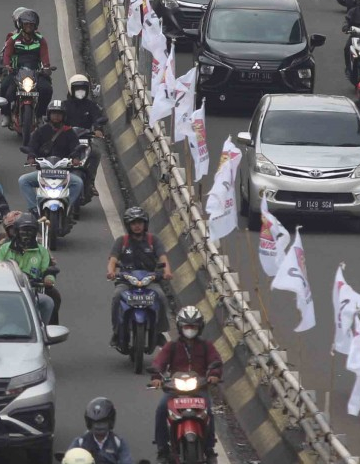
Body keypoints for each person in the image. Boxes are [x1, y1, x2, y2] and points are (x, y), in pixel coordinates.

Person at [152, 306, 223, 464]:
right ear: (180, 327)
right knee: (161, 409)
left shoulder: (206, 346)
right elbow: (159, 362)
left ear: (200, 328)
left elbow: (216, 362)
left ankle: (209, 449)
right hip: (174, 390)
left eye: (193, 327)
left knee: (209, 413)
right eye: (186, 326)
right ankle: (162, 449)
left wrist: (214, 376)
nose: (190, 330)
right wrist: (157, 376)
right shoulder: (172, 346)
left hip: (199, 389)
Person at [107, 207, 173, 348]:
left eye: (140, 222)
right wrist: (111, 272)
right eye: (133, 223)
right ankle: (117, 332)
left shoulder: (153, 240)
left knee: (161, 296)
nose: (137, 226)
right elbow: (112, 260)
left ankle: (159, 332)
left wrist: (167, 272)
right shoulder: (122, 241)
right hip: (126, 280)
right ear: (128, 225)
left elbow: (163, 258)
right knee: (117, 297)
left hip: (150, 279)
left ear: (145, 224)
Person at [19, 100, 85, 212]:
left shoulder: (69, 132)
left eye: (59, 114)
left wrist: (75, 158)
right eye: (54, 113)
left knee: (78, 183)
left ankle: (68, 207)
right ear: (49, 115)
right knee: (23, 181)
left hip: (63, 172)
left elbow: (75, 148)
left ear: (63, 116)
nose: (56, 116)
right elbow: (32, 146)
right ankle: (34, 208)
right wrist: (31, 157)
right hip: (43, 172)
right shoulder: (40, 131)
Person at [0, 213, 60, 324]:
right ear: (16, 231)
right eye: (23, 231)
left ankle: (45, 330)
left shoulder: (42, 251)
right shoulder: (4, 249)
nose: (27, 234)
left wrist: (49, 279)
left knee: (49, 302)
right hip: (7, 292)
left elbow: (48, 270)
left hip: (32, 292)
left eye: (30, 231)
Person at [0, 8, 53, 119]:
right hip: (16, 71)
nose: (29, 26)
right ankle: (6, 114)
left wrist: (47, 68)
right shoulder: (13, 39)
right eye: (26, 24)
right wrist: (6, 67)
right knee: (5, 87)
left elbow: (44, 56)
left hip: (36, 72)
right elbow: (7, 55)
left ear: (35, 26)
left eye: (31, 24)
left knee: (47, 89)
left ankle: (40, 115)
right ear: (21, 25)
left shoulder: (41, 40)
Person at [63, 74, 104, 200]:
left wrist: (98, 129)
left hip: (85, 140)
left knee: (96, 152)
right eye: (77, 88)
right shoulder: (64, 105)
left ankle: (90, 182)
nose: (80, 91)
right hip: (67, 140)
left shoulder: (91, 106)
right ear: (71, 89)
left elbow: (98, 118)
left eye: (83, 88)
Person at [67, 398, 136, 464]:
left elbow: (127, 461)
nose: (98, 426)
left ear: (110, 422)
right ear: (90, 423)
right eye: (95, 422)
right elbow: (69, 458)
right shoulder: (80, 442)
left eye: (103, 422)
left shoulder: (119, 443)